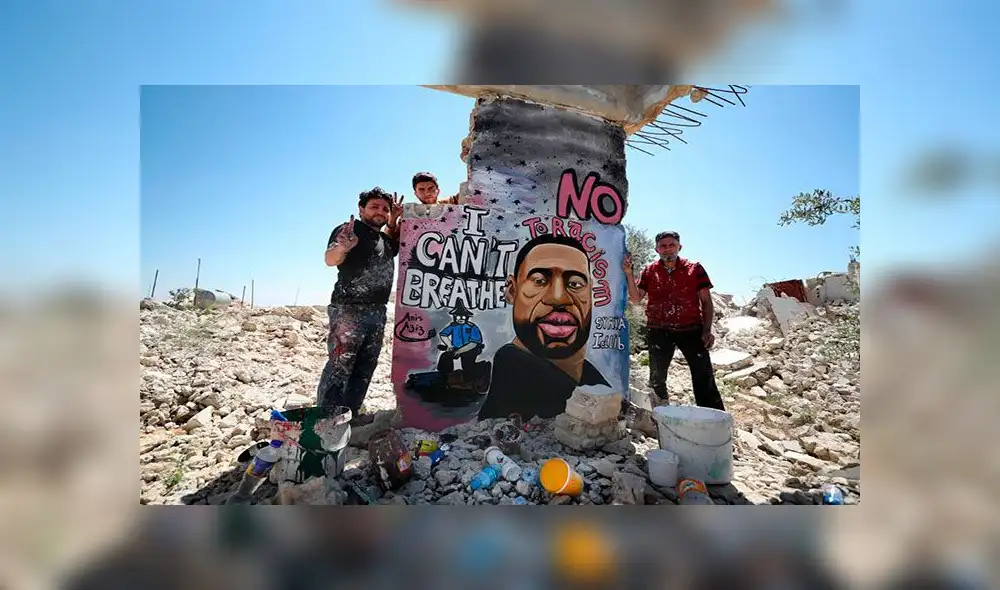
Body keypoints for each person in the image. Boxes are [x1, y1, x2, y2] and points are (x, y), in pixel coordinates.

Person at [478, 233, 610, 420]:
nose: (558, 298)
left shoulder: (590, 379)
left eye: (575, 284)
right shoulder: (513, 363)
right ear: (511, 291)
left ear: (590, 295)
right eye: (539, 281)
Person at [316, 187, 403, 426]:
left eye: (385, 209)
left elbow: (395, 245)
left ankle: (350, 416)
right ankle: (326, 420)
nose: (380, 212)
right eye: (374, 207)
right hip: (348, 310)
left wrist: (394, 221)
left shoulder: (384, 239)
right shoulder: (349, 231)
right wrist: (342, 247)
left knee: (365, 366)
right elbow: (330, 259)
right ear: (361, 209)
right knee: (340, 365)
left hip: (377, 311)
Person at [623, 231, 726, 411]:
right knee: (657, 377)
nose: (667, 249)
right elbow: (636, 297)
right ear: (657, 249)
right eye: (663, 246)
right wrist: (629, 273)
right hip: (658, 329)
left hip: (691, 328)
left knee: (703, 375)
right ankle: (660, 414)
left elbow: (706, 302)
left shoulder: (695, 269)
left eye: (671, 245)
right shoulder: (649, 270)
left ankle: (714, 417)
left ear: (679, 247)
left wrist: (707, 330)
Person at [436, 300, 486, 378]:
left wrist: (459, 351)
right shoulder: (453, 326)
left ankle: (480, 368)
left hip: (470, 348)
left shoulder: (472, 327)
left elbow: (473, 343)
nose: (460, 318)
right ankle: (446, 376)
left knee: (467, 365)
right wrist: (449, 345)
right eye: (458, 316)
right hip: (455, 348)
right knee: (445, 357)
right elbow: (443, 334)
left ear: (467, 317)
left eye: (463, 316)